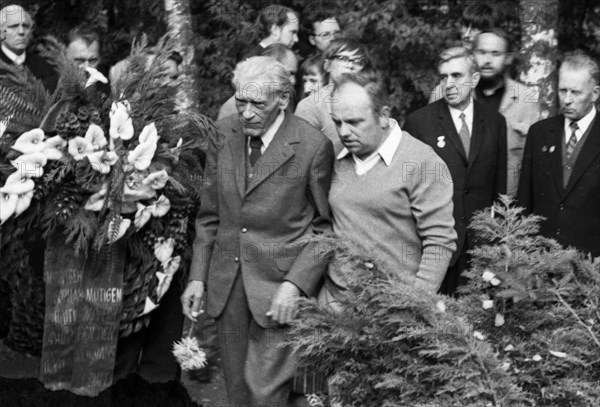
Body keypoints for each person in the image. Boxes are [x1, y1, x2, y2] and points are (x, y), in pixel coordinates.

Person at [181, 56, 334, 406]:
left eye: (257, 104)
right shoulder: (223, 134)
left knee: (265, 394)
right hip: (227, 288)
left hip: (278, 291)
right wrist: (198, 277)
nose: (247, 113)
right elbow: (209, 215)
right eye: (241, 101)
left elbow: (324, 231)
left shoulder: (312, 146)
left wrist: (295, 285)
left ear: (283, 99)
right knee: (238, 392)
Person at [322, 70, 456, 307]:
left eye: (354, 122)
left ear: (383, 116)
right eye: (337, 122)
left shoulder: (422, 162)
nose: (343, 132)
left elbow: (439, 242)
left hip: (394, 307)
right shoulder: (331, 154)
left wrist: (416, 302)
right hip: (336, 304)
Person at [404, 47, 507, 295]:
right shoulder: (419, 123)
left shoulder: (495, 121)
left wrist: (499, 240)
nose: (448, 83)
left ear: (474, 79)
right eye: (444, 77)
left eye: (456, 76)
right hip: (438, 247)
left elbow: (499, 188)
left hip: (481, 248)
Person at [517, 51, 600, 258]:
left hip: (590, 261)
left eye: (576, 92)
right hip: (540, 257)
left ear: (595, 93)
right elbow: (524, 199)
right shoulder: (540, 133)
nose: (567, 100)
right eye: (563, 91)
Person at [472, 29, 542, 195]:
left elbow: (536, 161)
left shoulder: (526, 99)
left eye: (496, 54)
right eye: (481, 52)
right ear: (472, 54)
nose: (487, 60)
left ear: (508, 58)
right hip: (458, 204)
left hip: (507, 204)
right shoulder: (454, 95)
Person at [295, 37, 374, 154]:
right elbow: (300, 153)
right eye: (343, 59)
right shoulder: (310, 105)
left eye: (358, 62)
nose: (350, 65)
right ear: (327, 65)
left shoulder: (370, 101)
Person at [218, 43, 298, 120]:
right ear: (272, 68)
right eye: (289, 73)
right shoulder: (233, 108)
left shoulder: (285, 99)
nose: (293, 81)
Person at [0, 4, 58, 92]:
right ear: (1, 33)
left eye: (25, 26)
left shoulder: (46, 67)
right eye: (13, 26)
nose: (21, 31)